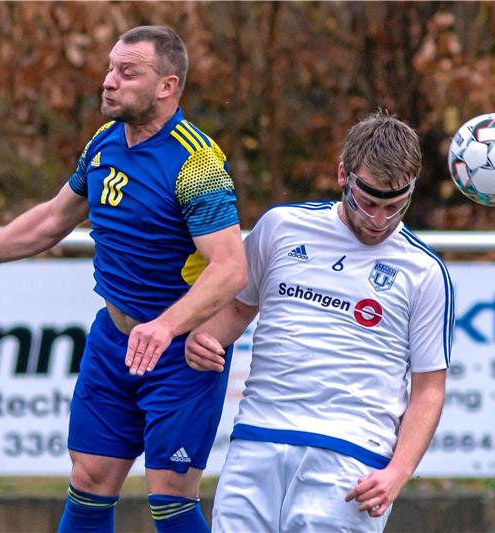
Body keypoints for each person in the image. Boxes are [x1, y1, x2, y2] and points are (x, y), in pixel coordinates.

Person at [0, 26, 247, 533]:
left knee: (170, 497)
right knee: (90, 478)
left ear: (167, 86)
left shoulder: (196, 164)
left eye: (127, 72)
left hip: (180, 352)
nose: (108, 81)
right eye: (110, 68)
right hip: (114, 340)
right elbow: (54, 218)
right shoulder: (105, 141)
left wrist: (165, 326)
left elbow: (231, 267)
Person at [185, 113, 454, 532]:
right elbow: (239, 308)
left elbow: (429, 389)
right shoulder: (282, 227)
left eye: (393, 206)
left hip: (350, 459)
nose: (379, 219)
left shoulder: (424, 271)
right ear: (343, 174)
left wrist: (398, 472)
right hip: (258, 438)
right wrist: (204, 339)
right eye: (368, 203)